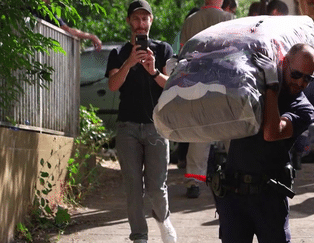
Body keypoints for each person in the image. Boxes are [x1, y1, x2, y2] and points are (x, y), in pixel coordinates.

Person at [213, 43, 314, 243]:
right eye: (297, 74)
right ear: (284, 63)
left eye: (308, 78)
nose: (301, 82)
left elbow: (272, 132)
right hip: (234, 194)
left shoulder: (303, 108)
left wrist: (272, 88)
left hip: (269, 197)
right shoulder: (253, 86)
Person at [105, 1, 176, 242]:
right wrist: (129, 63)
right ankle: (139, 237)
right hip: (127, 129)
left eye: (145, 19)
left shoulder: (163, 49)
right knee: (134, 190)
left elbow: (171, 85)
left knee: (157, 188)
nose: (140, 24)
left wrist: (153, 70)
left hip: (157, 126)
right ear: (129, 22)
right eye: (136, 19)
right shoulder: (119, 54)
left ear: (151, 22)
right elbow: (113, 85)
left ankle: (164, 220)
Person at [179, 0, 234, 198]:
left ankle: (193, 181)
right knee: (231, 130)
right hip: (224, 84)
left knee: (200, 134)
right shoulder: (230, 20)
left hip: (198, 84)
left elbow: (184, 55)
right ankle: (238, 173)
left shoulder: (191, 21)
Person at [34, 0, 102, 51]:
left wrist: (91, 36)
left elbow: (67, 29)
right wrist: (92, 37)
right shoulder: (46, 11)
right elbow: (67, 30)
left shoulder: (46, 11)